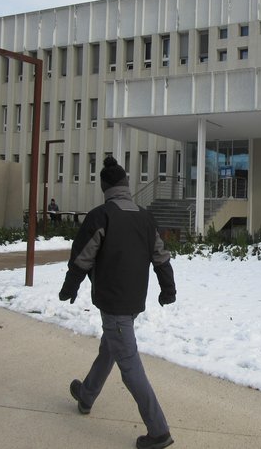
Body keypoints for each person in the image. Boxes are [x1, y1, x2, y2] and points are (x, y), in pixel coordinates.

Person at [59, 156, 176, 449]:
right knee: (109, 347)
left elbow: (82, 258)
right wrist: (167, 289)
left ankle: (158, 431)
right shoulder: (145, 217)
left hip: (114, 302)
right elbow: (161, 257)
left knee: (129, 364)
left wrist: (68, 288)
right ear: (125, 185)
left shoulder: (101, 215)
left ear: (105, 187)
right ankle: (86, 395)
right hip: (134, 300)